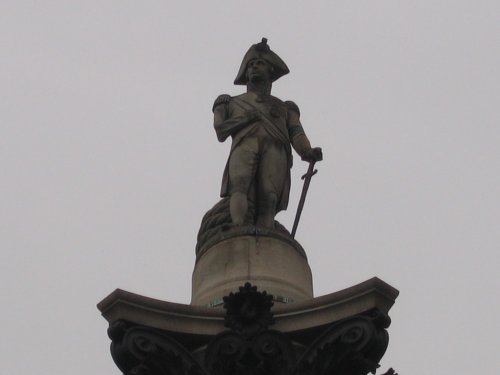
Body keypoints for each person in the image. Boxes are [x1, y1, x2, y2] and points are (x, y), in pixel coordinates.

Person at [213, 38, 322, 229]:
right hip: (245, 144)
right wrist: (247, 119)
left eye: (260, 63)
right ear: (246, 73)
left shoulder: (285, 107)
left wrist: (307, 151)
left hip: (276, 148)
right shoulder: (229, 102)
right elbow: (221, 131)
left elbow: (296, 133)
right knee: (240, 185)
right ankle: (238, 229)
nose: (254, 67)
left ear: (270, 70)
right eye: (251, 65)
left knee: (269, 197)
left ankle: (266, 236)